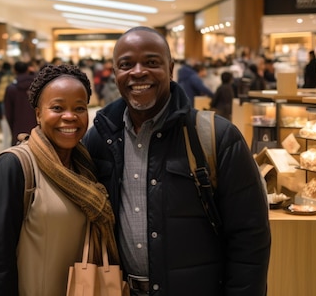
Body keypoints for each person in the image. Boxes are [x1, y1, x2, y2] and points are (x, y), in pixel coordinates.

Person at [82, 27, 271, 296]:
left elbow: (250, 238)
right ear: (115, 73)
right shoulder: (100, 138)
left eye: (151, 62)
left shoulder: (215, 137)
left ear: (170, 69)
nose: (138, 72)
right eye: (126, 65)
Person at [0, 64, 119, 296]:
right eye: (57, 107)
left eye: (79, 108)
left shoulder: (85, 167)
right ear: (38, 113)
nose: (70, 116)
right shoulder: (15, 167)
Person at [4, 61, 37, 145]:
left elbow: (9, 113)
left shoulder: (11, 89)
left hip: (18, 129)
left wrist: (13, 128)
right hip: (38, 129)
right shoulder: (37, 86)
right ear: (27, 70)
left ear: (14, 70)